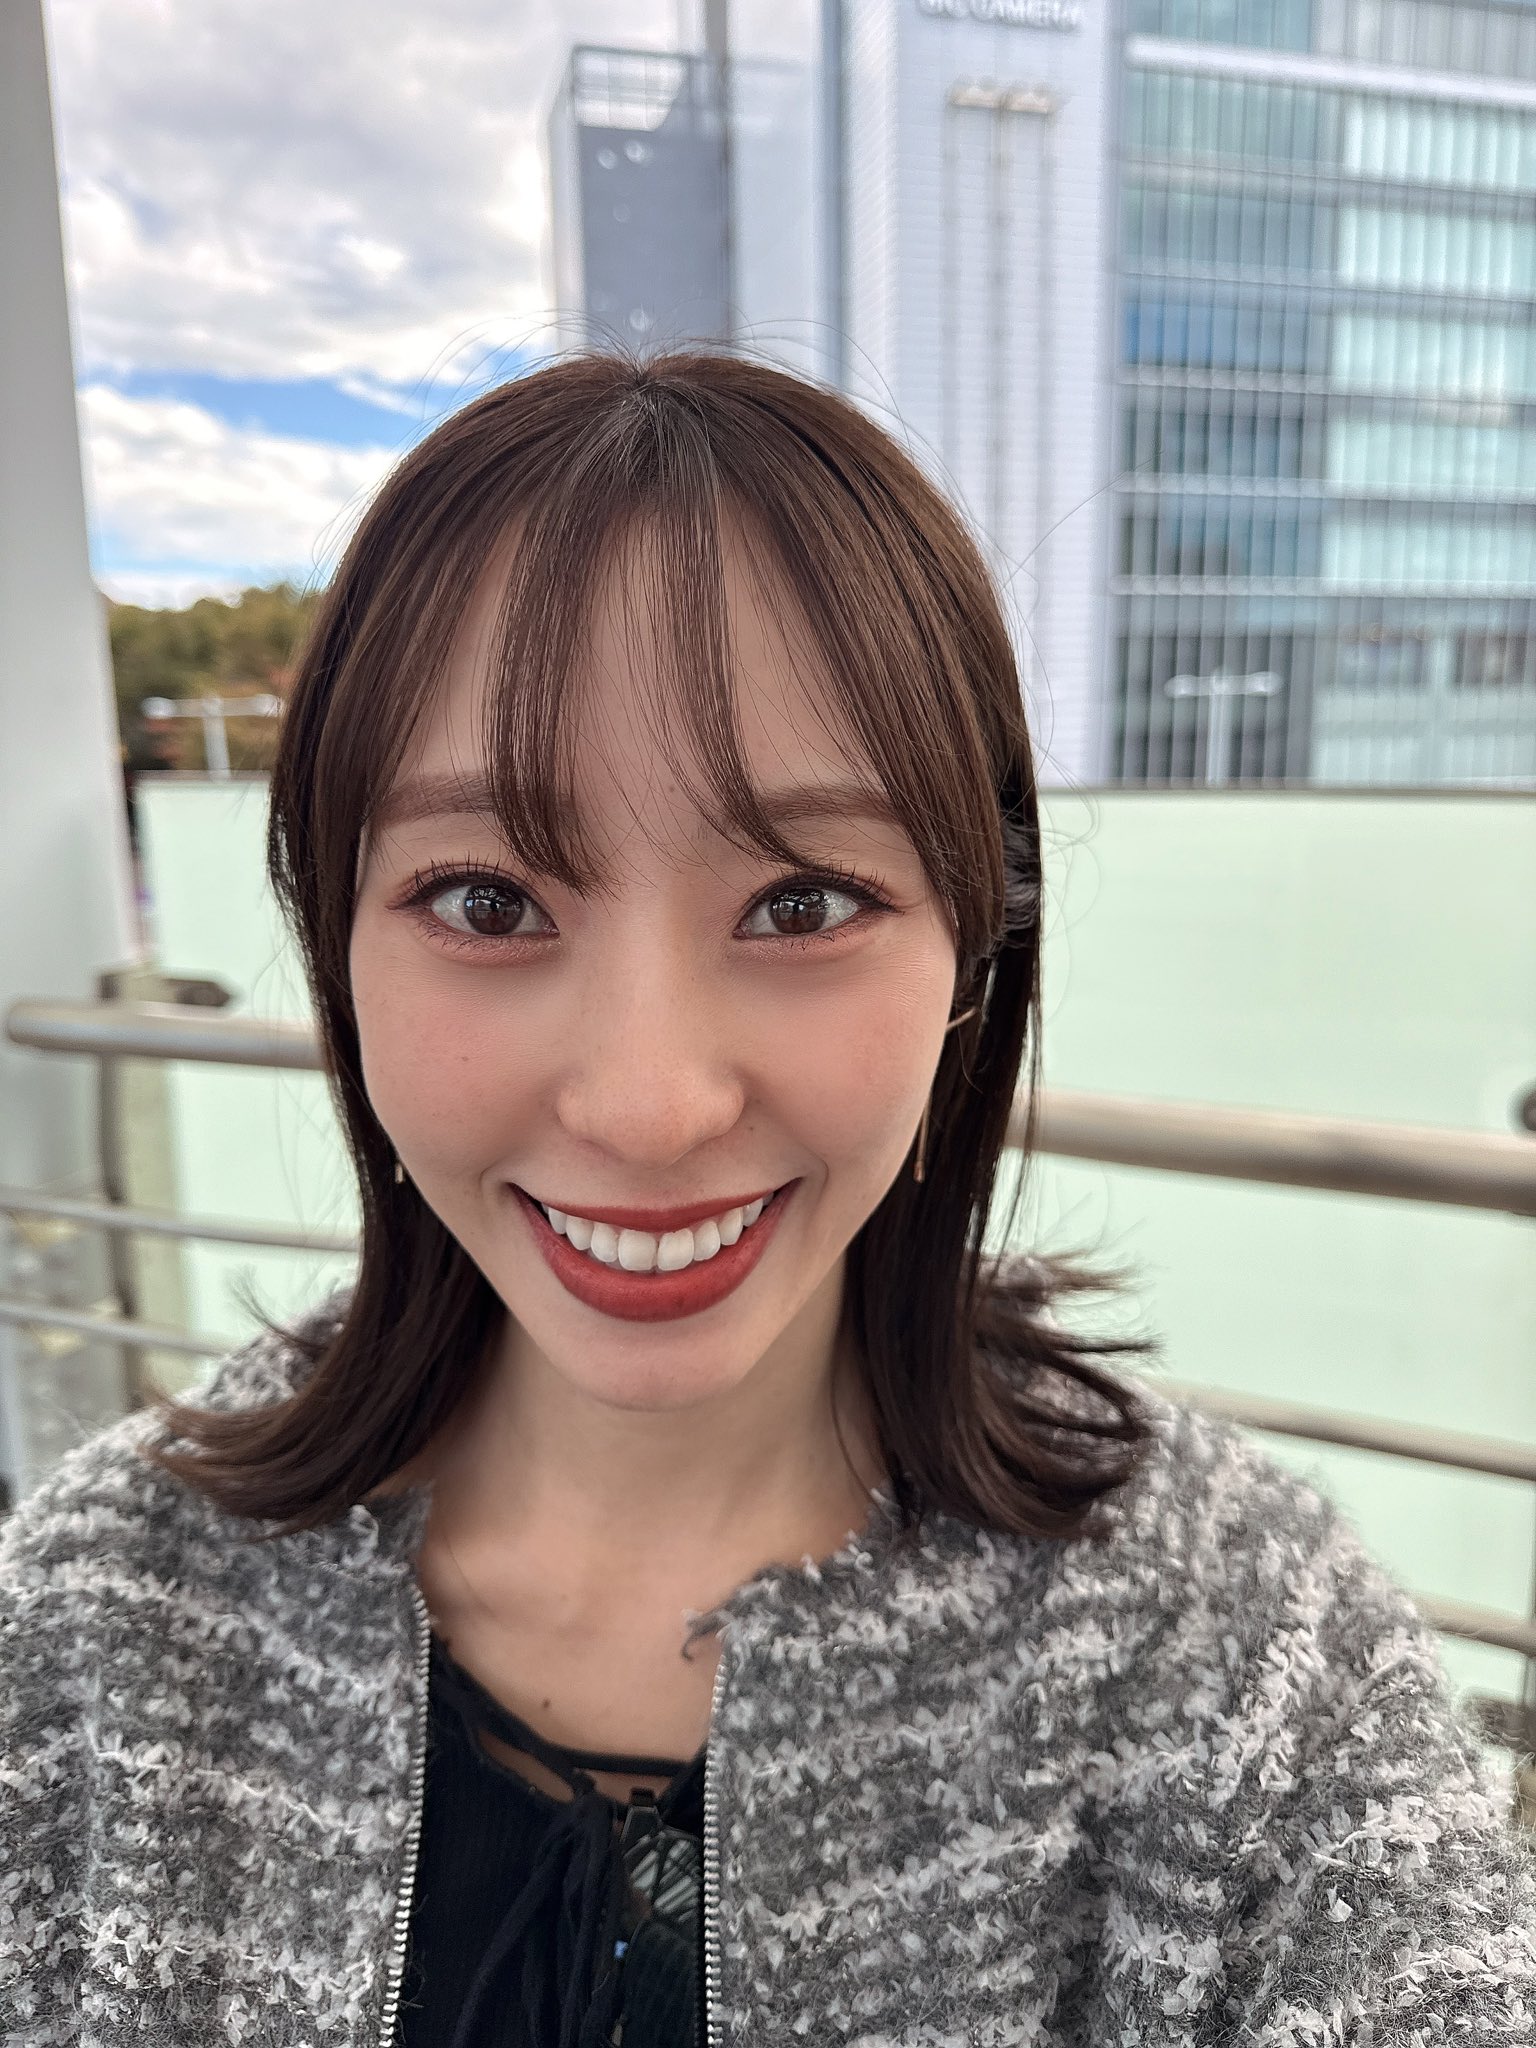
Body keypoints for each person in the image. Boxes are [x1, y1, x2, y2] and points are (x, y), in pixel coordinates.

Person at [2, 349, 1533, 2048]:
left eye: (803, 903)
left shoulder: (1246, 1658)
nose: (650, 1107)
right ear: (336, 948)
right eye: (487, 900)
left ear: (975, 952)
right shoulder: (91, 1624)